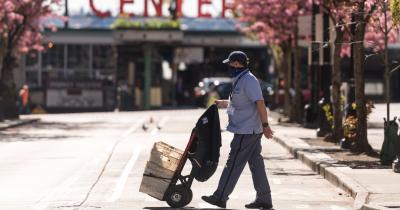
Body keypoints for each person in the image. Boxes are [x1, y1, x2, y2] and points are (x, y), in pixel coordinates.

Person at [201, 51, 274, 209]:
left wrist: (266, 125)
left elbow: (260, 103)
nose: (229, 66)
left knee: (233, 163)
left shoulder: (249, 80)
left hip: (246, 131)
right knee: (256, 164)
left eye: (230, 63)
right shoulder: (241, 79)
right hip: (247, 129)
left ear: (236, 63)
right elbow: (241, 103)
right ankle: (264, 199)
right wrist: (223, 103)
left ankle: (220, 196)